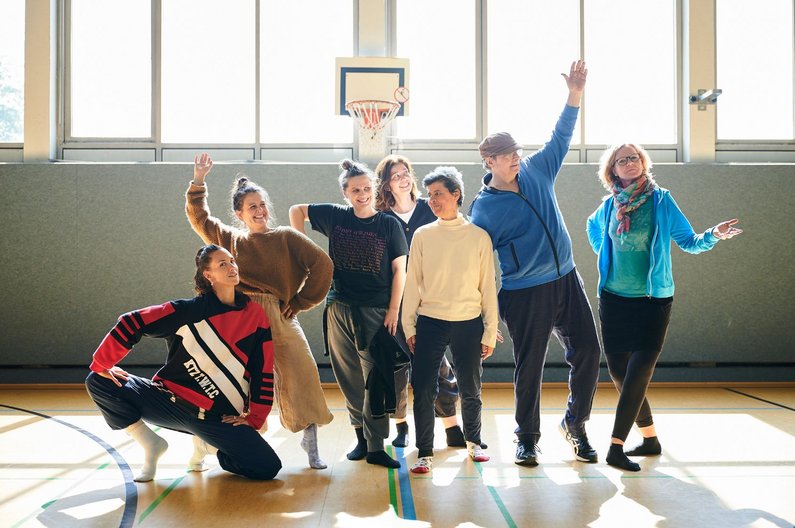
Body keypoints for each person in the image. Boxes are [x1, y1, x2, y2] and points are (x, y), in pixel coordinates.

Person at [468, 60, 601, 467]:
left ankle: (575, 425)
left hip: (566, 278)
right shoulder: (483, 211)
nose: (517, 161)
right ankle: (527, 438)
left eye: (518, 154)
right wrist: (486, 317)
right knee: (531, 367)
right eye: (509, 157)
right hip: (524, 293)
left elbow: (561, 135)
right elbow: (478, 266)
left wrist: (574, 94)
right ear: (490, 161)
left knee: (590, 352)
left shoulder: (538, 170)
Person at [587, 144, 742, 471]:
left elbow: (690, 241)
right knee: (618, 373)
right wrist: (608, 258)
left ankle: (615, 446)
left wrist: (714, 234)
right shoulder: (607, 207)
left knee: (638, 373)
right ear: (612, 169)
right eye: (621, 159)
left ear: (643, 163)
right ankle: (651, 439)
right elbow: (594, 231)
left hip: (653, 302)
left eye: (634, 157)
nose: (629, 162)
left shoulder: (662, 201)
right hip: (613, 300)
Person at [85, 245, 282, 482]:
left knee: (267, 467)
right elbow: (132, 321)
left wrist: (255, 417)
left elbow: (263, 370)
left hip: (216, 418)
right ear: (208, 275)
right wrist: (103, 363)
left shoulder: (255, 315)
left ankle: (207, 448)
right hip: (168, 403)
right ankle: (151, 443)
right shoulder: (189, 311)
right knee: (97, 380)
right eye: (222, 264)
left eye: (232, 261)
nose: (232, 267)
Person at [186, 153, 333, 470]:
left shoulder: (286, 237)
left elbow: (323, 265)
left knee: (303, 372)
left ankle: (310, 439)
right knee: (237, 382)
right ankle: (209, 443)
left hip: (279, 314)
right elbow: (200, 218)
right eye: (252, 206)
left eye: (262, 204)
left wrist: (302, 300)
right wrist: (199, 180)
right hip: (241, 316)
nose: (260, 210)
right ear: (239, 213)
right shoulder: (231, 239)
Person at [289, 159, 409, 469]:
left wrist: (393, 309)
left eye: (367, 189)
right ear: (345, 193)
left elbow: (400, 270)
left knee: (376, 378)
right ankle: (360, 439)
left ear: (374, 189)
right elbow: (296, 210)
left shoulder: (388, 224)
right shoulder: (335, 217)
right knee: (349, 377)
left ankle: (376, 445)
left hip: (376, 310)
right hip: (339, 308)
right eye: (355, 190)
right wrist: (301, 251)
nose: (362, 194)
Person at [401, 166, 498, 474]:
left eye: (439, 194)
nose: (433, 201)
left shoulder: (478, 237)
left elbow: (488, 286)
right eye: (429, 196)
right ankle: (425, 452)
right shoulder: (422, 235)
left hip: (469, 322)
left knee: (471, 387)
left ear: (456, 194)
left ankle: (474, 443)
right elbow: (412, 282)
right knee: (424, 388)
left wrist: (489, 330)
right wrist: (409, 325)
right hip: (430, 321)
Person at [374, 154, 469, 449]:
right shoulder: (381, 219)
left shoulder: (429, 211)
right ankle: (401, 425)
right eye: (395, 175)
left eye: (406, 172)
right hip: (394, 305)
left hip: (431, 303)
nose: (403, 178)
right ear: (386, 184)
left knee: (436, 363)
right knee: (398, 367)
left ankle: (452, 426)